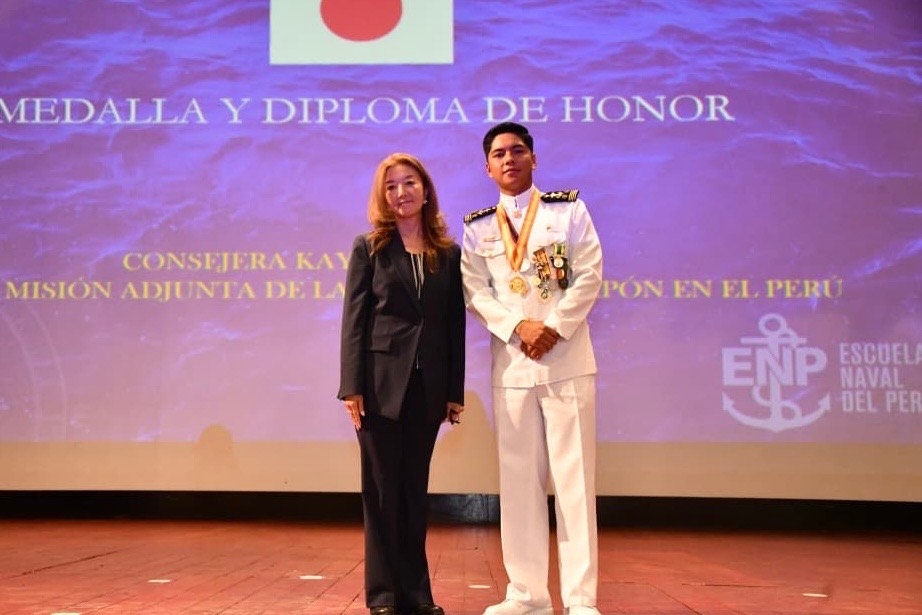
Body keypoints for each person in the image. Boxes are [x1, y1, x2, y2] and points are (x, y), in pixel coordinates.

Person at [460, 123, 604, 615]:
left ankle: (581, 601)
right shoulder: (477, 227)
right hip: (514, 366)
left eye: (517, 151)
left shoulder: (568, 211)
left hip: (566, 361)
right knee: (518, 484)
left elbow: (589, 274)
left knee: (574, 485)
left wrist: (554, 328)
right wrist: (518, 327)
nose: (509, 159)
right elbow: (475, 291)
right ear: (487, 167)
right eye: (498, 154)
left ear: (533, 159)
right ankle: (526, 595)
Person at [339, 152, 466, 615]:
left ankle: (417, 594)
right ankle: (384, 596)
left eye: (409, 183)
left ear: (426, 190)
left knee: (415, 492)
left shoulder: (448, 254)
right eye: (391, 186)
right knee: (381, 492)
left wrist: (454, 390)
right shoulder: (368, 247)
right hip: (376, 388)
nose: (401, 192)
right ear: (383, 196)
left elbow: (454, 326)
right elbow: (354, 322)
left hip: (428, 390)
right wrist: (350, 386)